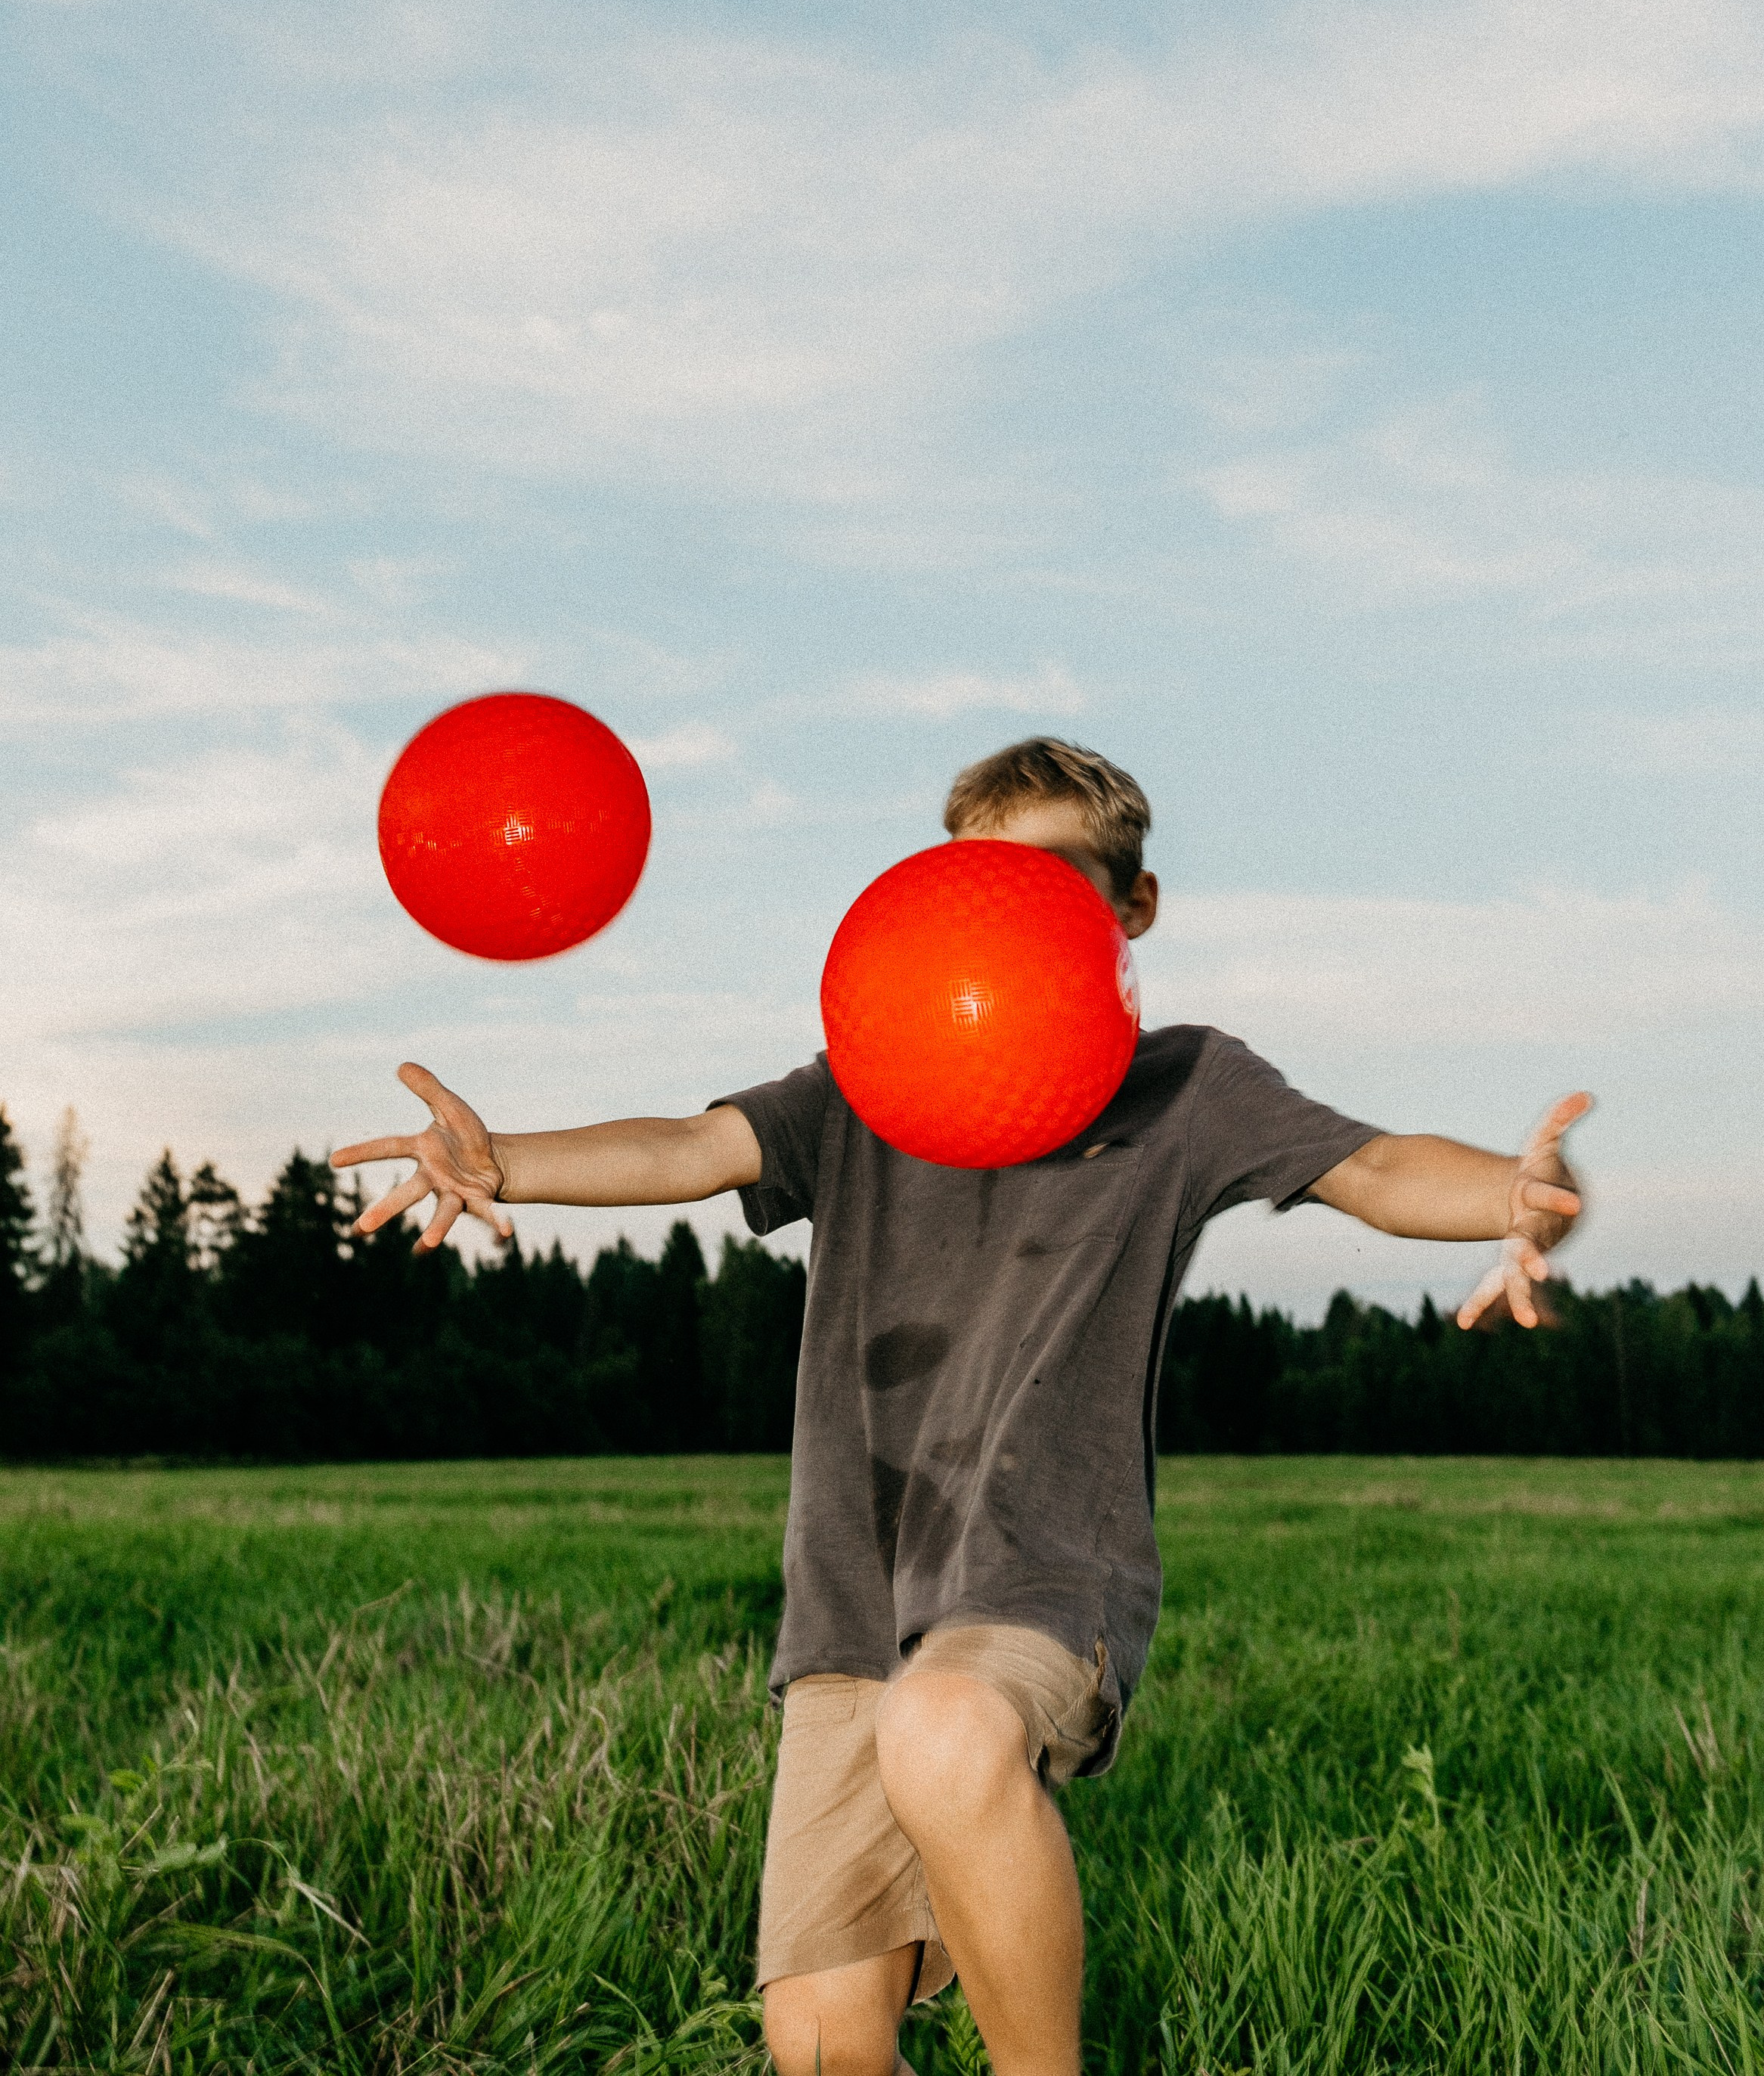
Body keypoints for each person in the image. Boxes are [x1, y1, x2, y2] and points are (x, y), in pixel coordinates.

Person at [336, 737, 1589, 2076]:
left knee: (942, 1732)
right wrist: (503, 1163)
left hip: (1042, 1567)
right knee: (819, 2039)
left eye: (1056, 883)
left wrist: (1512, 1200)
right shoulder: (866, 1079)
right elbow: (695, 1149)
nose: (1008, 914)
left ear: (1133, 909)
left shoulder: (1184, 1086)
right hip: (849, 1603)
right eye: (981, 882)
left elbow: (1379, 1165)